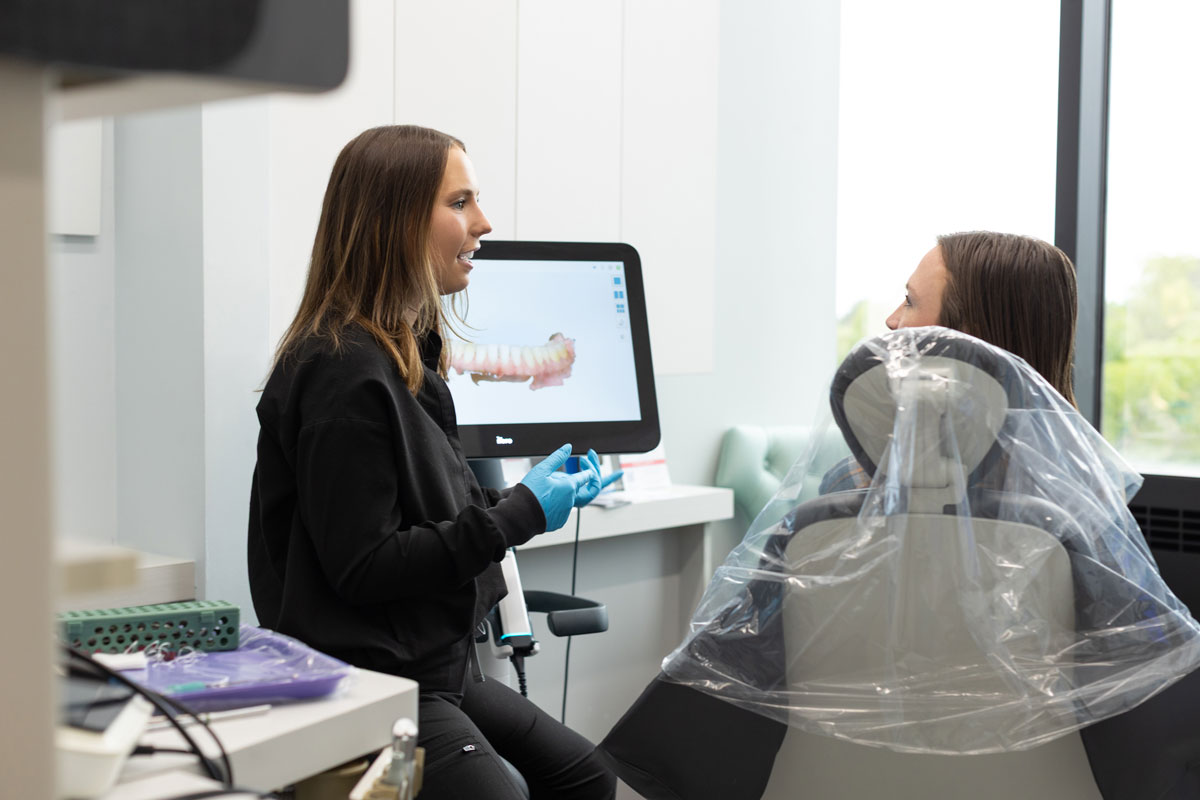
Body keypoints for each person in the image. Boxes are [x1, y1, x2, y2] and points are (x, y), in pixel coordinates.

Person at [247, 125, 619, 799]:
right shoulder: (343, 372)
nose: (484, 222)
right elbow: (366, 568)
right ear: (396, 222)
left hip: (436, 667)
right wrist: (519, 514)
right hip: (368, 681)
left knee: (586, 778)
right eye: (460, 202)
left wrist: (524, 502)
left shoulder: (405, 358)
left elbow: (432, 511)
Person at [820, 230, 1078, 493]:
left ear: (968, 339)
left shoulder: (855, 486)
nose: (892, 320)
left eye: (910, 301)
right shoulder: (1097, 493)